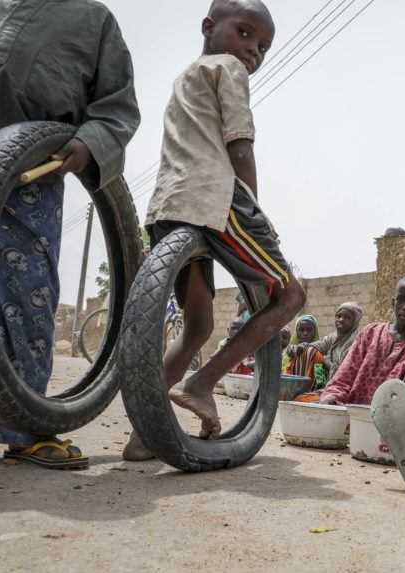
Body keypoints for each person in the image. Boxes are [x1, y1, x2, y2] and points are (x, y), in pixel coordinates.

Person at [124, 0, 306, 460]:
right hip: (216, 201)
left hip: (169, 205)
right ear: (209, 27)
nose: (252, 51)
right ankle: (203, 382)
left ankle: (145, 435)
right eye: (245, 33)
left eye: (262, 46)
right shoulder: (229, 69)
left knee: (199, 324)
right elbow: (239, 142)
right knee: (291, 296)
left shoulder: (184, 78)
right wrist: (255, 210)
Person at [0, 0, 140, 469]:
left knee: (26, 297)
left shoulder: (93, 20)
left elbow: (116, 107)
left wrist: (88, 143)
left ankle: (27, 427)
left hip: (32, 173)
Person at [319, 277, 405, 405]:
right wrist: (332, 398)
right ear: (393, 302)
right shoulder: (371, 332)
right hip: (353, 413)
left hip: (388, 420)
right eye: (401, 299)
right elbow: (344, 376)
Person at [306, 302, 363, 380]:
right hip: (327, 379)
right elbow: (318, 345)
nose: (341, 320)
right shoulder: (333, 337)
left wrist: (326, 361)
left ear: (355, 322)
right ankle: (317, 385)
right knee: (310, 351)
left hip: (345, 383)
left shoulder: (357, 342)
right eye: (338, 316)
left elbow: (346, 372)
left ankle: (321, 387)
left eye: (347, 318)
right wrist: (302, 346)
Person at [283, 315, 326, 388]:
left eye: (309, 330)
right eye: (301, 330)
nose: (305, 333)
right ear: (296, 332)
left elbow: (320, 380)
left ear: (314, 332)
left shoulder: (316, 353)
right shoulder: (289, 352)